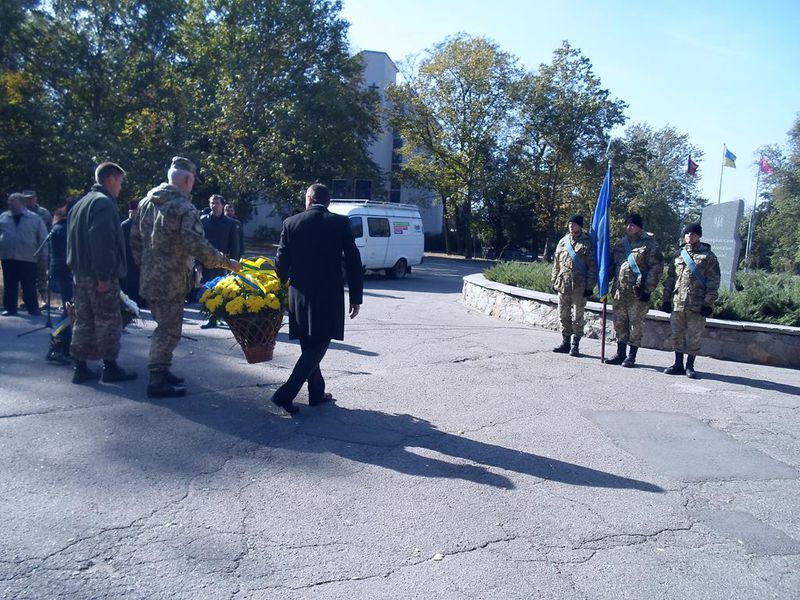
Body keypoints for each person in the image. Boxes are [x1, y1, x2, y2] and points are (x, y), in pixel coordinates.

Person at [131, 156, 241, 398]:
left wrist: (148, 266)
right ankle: (157, 378)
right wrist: (227, 262)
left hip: (150, 277)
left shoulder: (146, 203)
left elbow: (134, 240)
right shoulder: (183, 208)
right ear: (188, 179)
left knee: (164, 326)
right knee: (169, 330)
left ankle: (163, 369)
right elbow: (197, 246)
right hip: (171, 280)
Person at [270, 183, 363, 415]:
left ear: (309, 199)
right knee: (318, 346)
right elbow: (353, 262)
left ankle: (316, 393)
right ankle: (285, 394)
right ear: (327, 202)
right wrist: (356, 297)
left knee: (309, 344)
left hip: (298, 295)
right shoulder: (340, 223)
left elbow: (281, 262)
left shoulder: (290, 223)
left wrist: (281, 285)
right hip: (328, 296)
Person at [67, 162, 137, 384]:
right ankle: (111, 367)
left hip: (80, 274)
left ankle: (80, 367)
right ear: (111, 179)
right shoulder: (104, 203)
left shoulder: (80, 204)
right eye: (120, 181)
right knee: (108, 320)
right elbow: (103, 241)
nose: (121, 187)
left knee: (83, 320)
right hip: (99, 276)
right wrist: (104, 277)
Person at [660, 223, 721, 379]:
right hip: (678, 303)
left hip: (697, 304)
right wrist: (666, 299)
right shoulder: (678, 255)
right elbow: (670, 279)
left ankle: (690, 366)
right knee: (677, 334)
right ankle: (678, 364)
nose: (689, 236)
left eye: (693, 234)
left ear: (699, 236)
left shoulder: (708, 257)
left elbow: (713, 282)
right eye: (687, 233)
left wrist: (708, 303)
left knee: (694, 336)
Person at [606, 213, 664, 367]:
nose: (629, 227)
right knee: (620, 324)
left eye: (632, 224)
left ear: (639, 226)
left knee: (635, 326)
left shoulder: (650, 245)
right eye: (627, 224)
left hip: (637, 294)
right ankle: (620, 353)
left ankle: (631, 356)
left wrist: (648, 290)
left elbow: (656, 269)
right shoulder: (620, 244)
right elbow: (612, 265)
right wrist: (605, 280)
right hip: (619, 292)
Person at [551, 214, 596, 357]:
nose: (571, 226)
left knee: (578, 317)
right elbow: (556, 264)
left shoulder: (588, 243)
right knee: (563, 315)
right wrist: (554, 280)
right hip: (563, 285)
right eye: (570, 223)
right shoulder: (563, 242)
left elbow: (593, 267)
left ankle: (575, 345)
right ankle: (565, 342)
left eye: (574, 224)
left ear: (580, 226)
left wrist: (590, 287)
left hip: (579, 287)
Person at [0, 192, 47, 316]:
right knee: (9, 283)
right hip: (8, 256)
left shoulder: (35, 218)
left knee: (29, 284)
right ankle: (10, 308)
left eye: (12, 201)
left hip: (28, 257)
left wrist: (43, 255)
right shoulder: (4, 217)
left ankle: (33, 308)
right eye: (9, 201)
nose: (9, 204)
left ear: (21, 203)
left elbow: (43, 238)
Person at [198, 194, 241, 328]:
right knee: (208, 291)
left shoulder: (230, 223)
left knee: (223, 291)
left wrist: (234, 265)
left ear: (222, 205)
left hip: (224, 263)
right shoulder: (203, 221)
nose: (214, 206)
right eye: (212, 203)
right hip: (207, 263)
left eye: (217, 203)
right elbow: (197, 244)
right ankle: (211, 318)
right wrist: (197, 264)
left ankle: (222, 316)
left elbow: (235, 246)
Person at [22, 190, 53, 309]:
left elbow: (51, 230)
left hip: (41, 249)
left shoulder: (44, 213)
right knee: (27, 277)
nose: (29, 200)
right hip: (25, 250)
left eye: (31, 198)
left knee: (42, 276)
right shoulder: (22, 212)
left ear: (36, 199)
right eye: (26, 198)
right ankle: (29, 300)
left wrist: (49, 249)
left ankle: (44, 300)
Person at [48, 200, 75, 311]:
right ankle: (64, 327)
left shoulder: (61, 226)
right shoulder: (64, 228)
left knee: (68, 304)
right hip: (65, 269)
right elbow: (66, 253)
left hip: (62, 268)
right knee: (69, 306)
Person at [120, 200, 144, 308]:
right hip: (128, 257)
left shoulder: (141, 225)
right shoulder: (124, 225)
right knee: (129, 281)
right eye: (133, 212)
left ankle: (141, 300)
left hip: (139, 257)